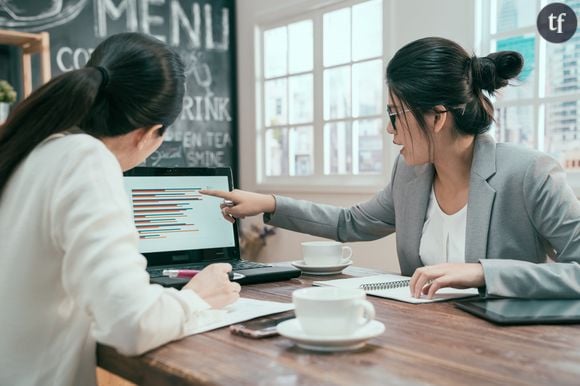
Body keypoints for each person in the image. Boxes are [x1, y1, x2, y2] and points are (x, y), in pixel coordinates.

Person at [202, 37, 580, 300]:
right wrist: (267, 203)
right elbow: (350, 223)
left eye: (395, 115)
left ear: (437, 117)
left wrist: (484, 272)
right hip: (423, 339)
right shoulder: (411, 174)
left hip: (505, 351)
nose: (389, 129)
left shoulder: (530, 173)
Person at [0, 33, 240, 386]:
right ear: (149, 133)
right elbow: (130, 325)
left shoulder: (32, 149)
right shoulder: (85, 159)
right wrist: (195, 298)